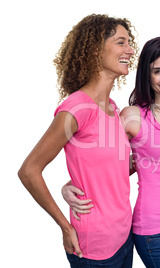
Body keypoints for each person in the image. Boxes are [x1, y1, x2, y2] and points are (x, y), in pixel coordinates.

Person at [63, 37, 160, 268]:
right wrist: (70, 185)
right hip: (155, 230)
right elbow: (102, 161)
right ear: (147, 74)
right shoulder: (132, 116)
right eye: (158, 71)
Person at [18, 14, 139, 267]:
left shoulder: (113, 108)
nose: (130, 50)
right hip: (94, 248)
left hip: (125, 237)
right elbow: (29, 171)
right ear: (96, 49)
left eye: (130, 43)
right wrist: (64, 225)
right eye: (121, 42)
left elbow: (110, 170)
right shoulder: (77, 107)